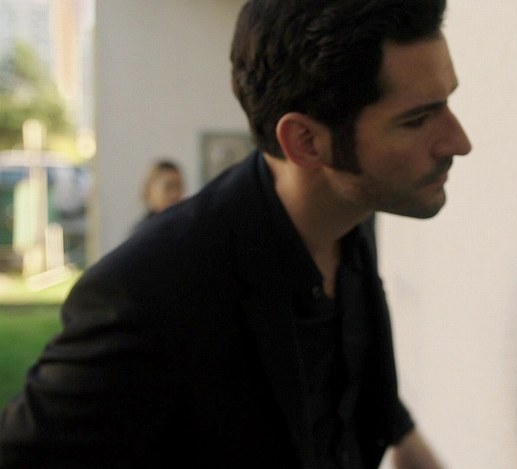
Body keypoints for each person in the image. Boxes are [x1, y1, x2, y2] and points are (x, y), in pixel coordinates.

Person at [0, 0, 471, 467]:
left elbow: (366, 407)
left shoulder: (351, 219)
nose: (459, 141)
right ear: (306, 142)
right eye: (416, 120)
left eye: (447, 102)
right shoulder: (152, 293)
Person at [135, 159, 185, 228]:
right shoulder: (145, 231)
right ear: (150, 190)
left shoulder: (186, 226)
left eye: (178, 186)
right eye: (168, 187)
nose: (175, 194)